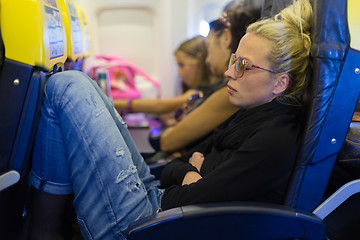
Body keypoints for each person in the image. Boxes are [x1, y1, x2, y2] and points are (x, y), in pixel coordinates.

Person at [28, 0, 313, 239]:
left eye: (243, 66)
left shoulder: (275, 140)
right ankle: (48, 226)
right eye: (233, 60)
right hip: (160, 201)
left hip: (150, 223)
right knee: (88, 88)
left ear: (280, 83)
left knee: (68, 86)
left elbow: (191, 198)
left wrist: (193, 171)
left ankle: (42, 230)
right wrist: (190, 172)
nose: (229, 72)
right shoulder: (248, 111)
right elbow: (182, 163)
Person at [112, 35, 217, 117]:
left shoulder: (199, 93)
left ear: (199, 61)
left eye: (182, 65)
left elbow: (160, 106)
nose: (179, 74)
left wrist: (113, 103)